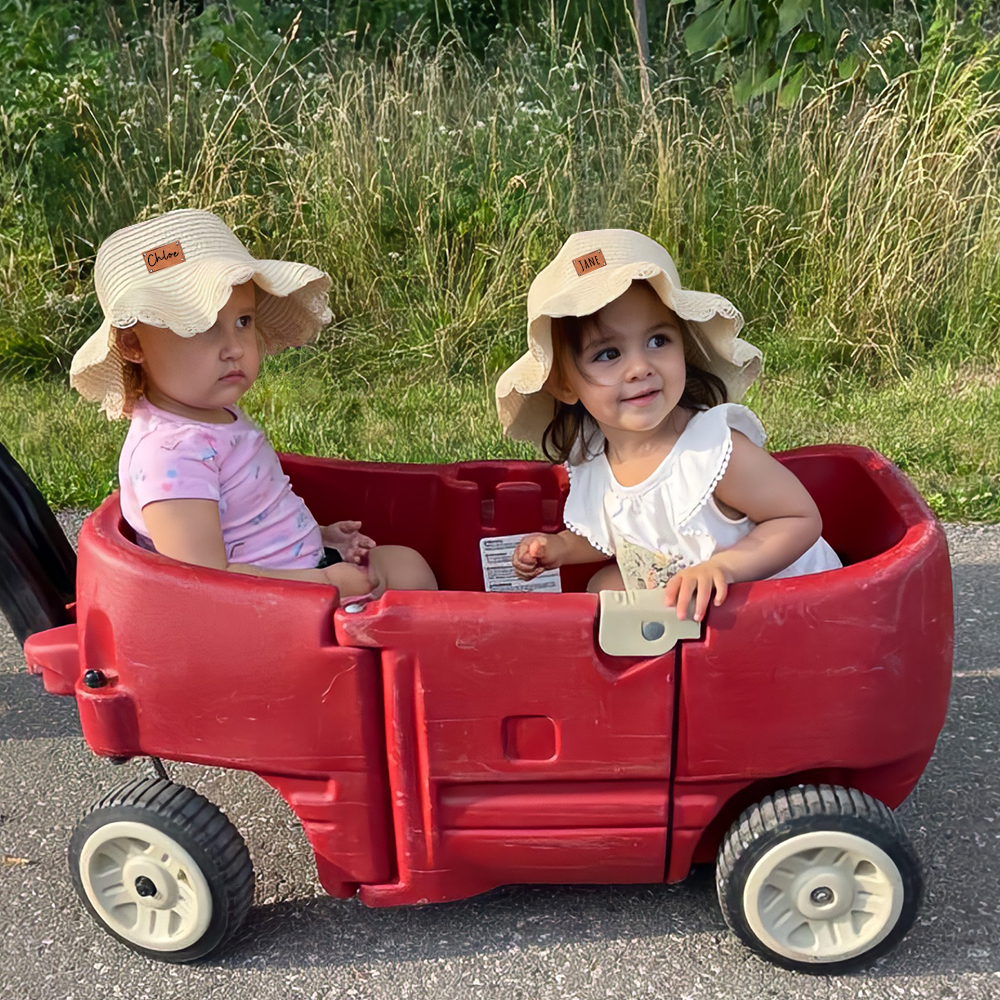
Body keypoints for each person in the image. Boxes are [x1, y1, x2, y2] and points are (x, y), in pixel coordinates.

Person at [70, 208, 436, 598]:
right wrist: (326, 583)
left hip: (292, 570)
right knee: (407, 593)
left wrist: (320, 535)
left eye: (242, 321)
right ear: (133, 344)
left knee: (409, 566)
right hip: (267, 612)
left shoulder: (207, 415)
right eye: (201, 327)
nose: (234, 349)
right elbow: (204, 583)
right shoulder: (170, 456)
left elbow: (250, 516)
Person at [496, 229, 840, 622]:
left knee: (614, 594)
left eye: (658, 341)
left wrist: (726, 566)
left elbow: (798, 518)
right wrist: (561, 548)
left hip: (791, 609)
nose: (640, 367)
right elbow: (621, 532)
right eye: (609, 353)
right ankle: (670, 673)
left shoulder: (710, 451)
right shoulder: (597, 462)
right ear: (565, 384)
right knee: (604, 586)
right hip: (701, 604)